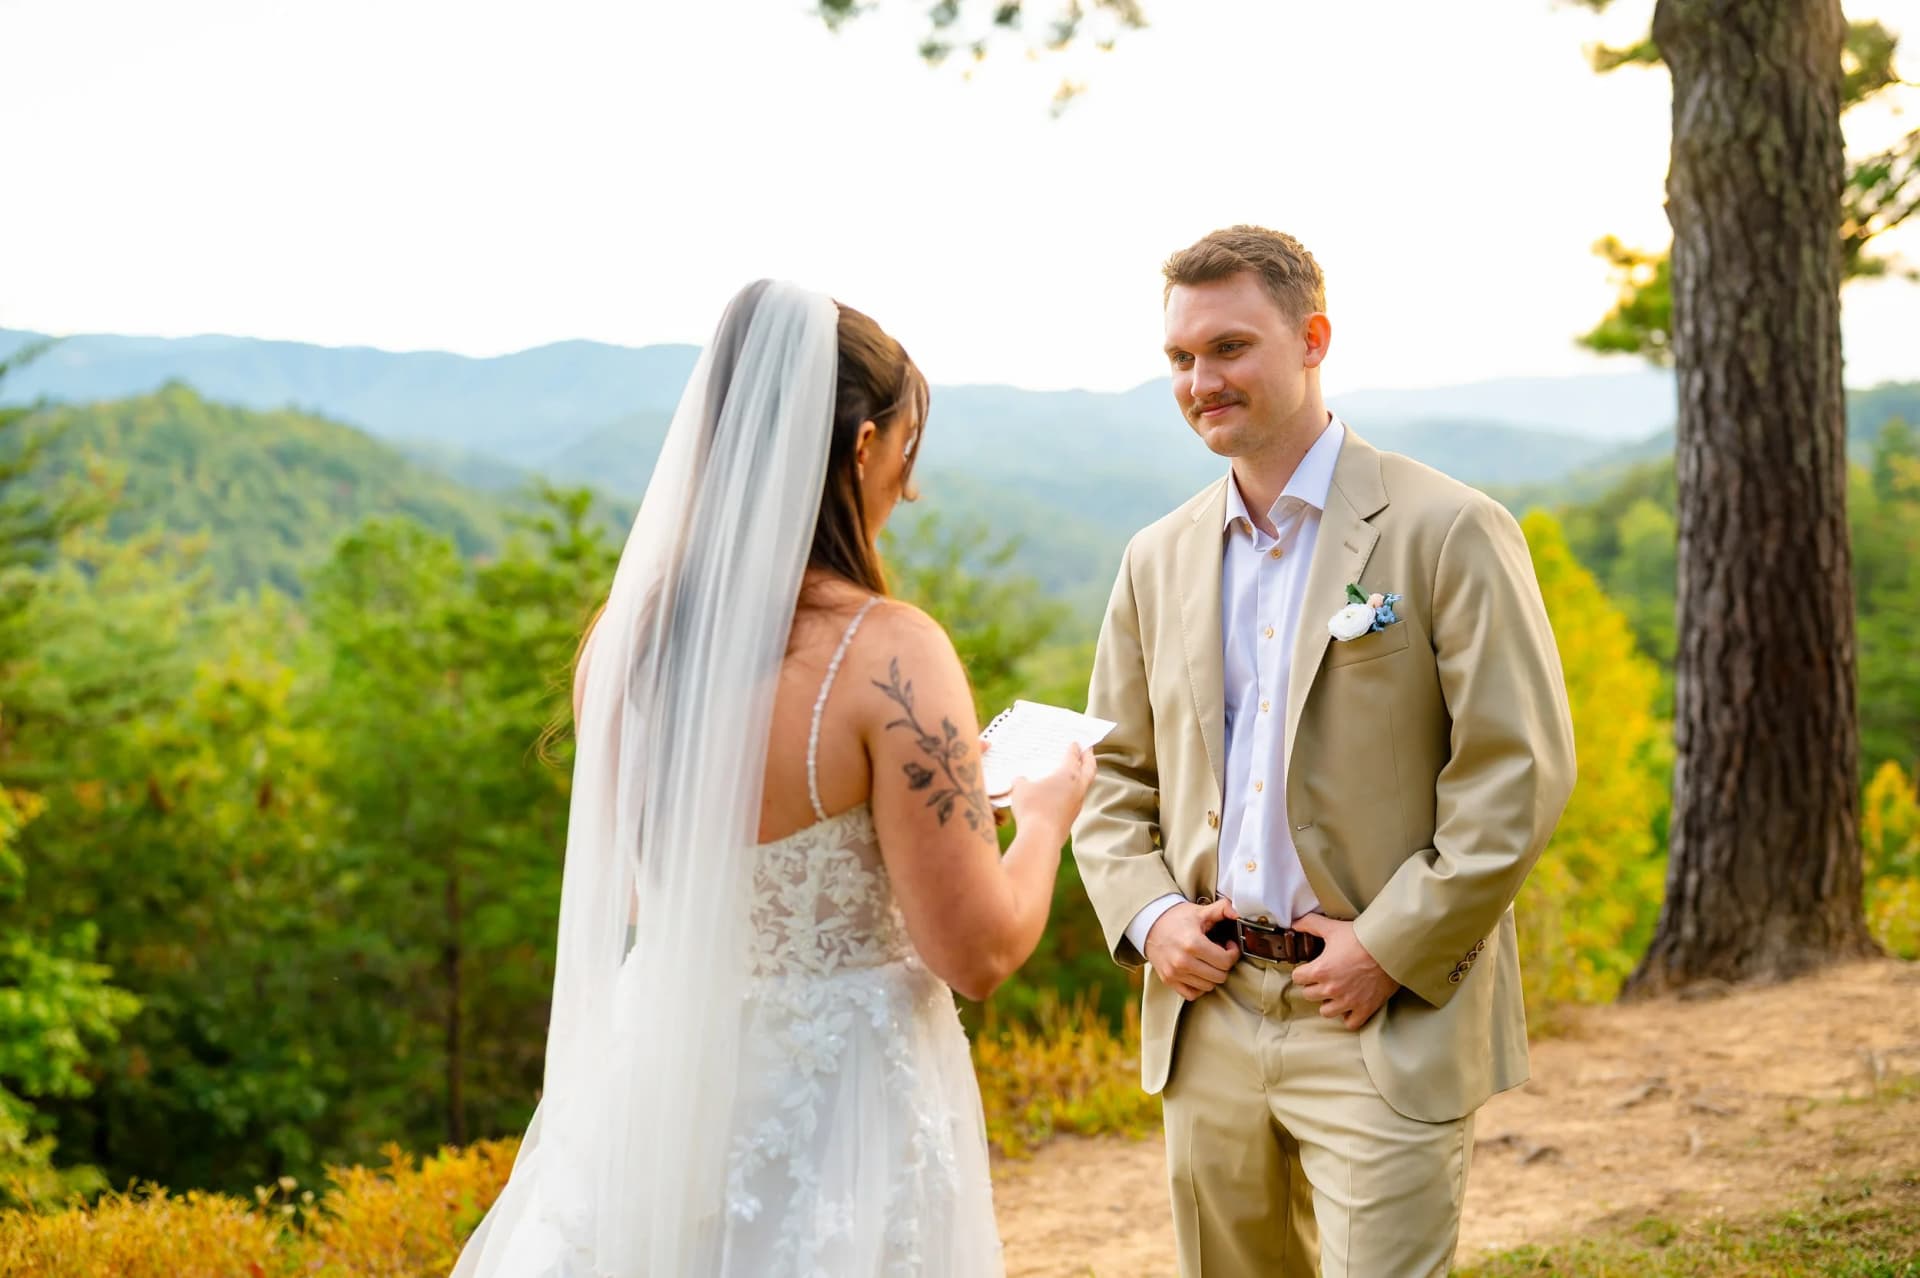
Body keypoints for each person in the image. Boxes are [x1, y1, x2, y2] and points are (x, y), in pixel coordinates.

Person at [452, 280, 1095, 1277]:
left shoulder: (626, 649)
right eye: (905, 451)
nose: (907, 487)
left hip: (659, 1084)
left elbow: (640, 889)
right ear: (862, 448)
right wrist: (1046, 817)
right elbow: (978, 953)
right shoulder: (890, 655)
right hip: (843, 1117)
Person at [1071, 226, 1577, 1277]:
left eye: (1230, 348)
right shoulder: (1154, 557)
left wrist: (1389, 944)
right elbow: (1111, 777)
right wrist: (1152, 916)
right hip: (1205, 1011)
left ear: (1313, 339)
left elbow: (1516, 770)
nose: (1201, 381)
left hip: (1379, 1011)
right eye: (1180, 359)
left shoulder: (1449, 529)